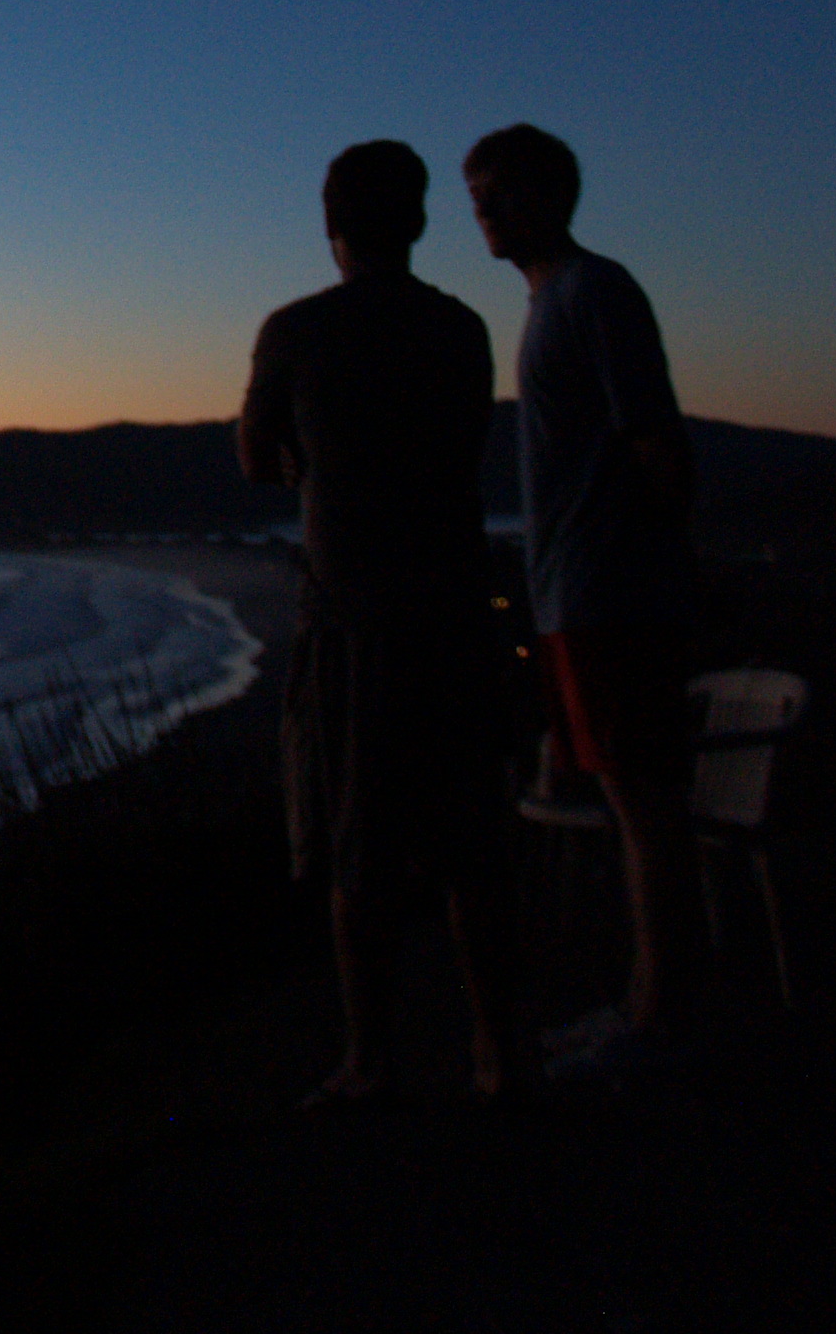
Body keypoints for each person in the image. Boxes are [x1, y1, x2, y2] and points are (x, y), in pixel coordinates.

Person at [242, 140, 520, 1104]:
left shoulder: (295, 330)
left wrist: (307, 456)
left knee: (358, 845)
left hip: (354, 617)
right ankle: (498, 1051)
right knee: (471, 842)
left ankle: (371, 1060)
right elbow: (463, 448)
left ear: (333, 227)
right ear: (419, 222)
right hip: (452, 608)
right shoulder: (463, 328)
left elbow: (254, 453)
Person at [464, 122, 704, 1054]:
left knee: (647, 811)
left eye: (500, 189)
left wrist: (658, 568)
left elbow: (655, 441)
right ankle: (650, 1004)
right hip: (581, 598)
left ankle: (656, 1019)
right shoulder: (551, 303)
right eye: (476, 190)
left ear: (551, 196)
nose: (482, 207)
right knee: (626, 802)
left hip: (614, 600)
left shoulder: (594, 293)